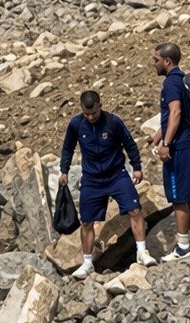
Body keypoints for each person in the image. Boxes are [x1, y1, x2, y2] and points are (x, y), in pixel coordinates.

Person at [59, 91, 156, 278]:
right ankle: (87, 263)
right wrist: (64, 170)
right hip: (91, 179)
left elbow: (129, 144)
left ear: (100, 105)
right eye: (86, 114)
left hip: (116, 175)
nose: (90, 117)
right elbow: (68, 148)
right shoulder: (76, 124)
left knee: (135, 209)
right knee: (87, 221)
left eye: (94, 113)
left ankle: (141, 252)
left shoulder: (113, 122)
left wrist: (137, 167)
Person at [153, 42, 190, 260]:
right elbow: (177, 116)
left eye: (156, 60)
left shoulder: (171, 83)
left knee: (179, 197)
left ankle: (183, 246)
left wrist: (166, 143)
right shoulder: (182, 80)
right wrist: (159, 133)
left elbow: (175, 112)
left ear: (167, 61)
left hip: (179, 149)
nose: (153, 64)